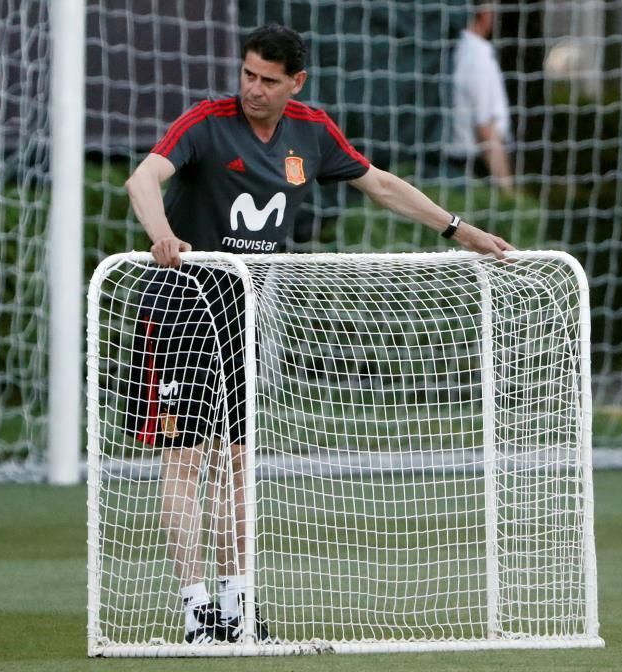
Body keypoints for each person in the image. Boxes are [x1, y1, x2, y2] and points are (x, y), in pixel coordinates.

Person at [124, 23, 514, 645]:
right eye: (247, 74)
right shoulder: (205, 121)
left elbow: (380, 183)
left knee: (236, 461)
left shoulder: (311, 128)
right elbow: (143, 179)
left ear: (294, 83)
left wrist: (460, 230)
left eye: (268, 80)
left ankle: (238, 606)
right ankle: (197, 611)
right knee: (185, 461)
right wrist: (159, 235)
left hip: (239, 311)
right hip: (176, 307)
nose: (253, 89)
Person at [448, 1, 514, 195]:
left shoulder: (452, 48)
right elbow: (486, 128)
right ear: (485, 12)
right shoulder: (478, 55)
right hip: (476, 170)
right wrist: (508, 192)